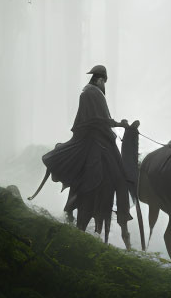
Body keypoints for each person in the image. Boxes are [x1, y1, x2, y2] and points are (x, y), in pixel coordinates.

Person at [38, 65, 137, 244]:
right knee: (119, 177)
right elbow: (99, 120)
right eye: (104, 82)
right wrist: (119, 124)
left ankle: (73, 208)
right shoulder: (94, 93)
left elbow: (97, 119)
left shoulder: (87, 92)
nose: (104, 85)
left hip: (94, 140)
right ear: (100, 80)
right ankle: (121, 217)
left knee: (92, 176)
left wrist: (115, 125)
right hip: (96, 142)